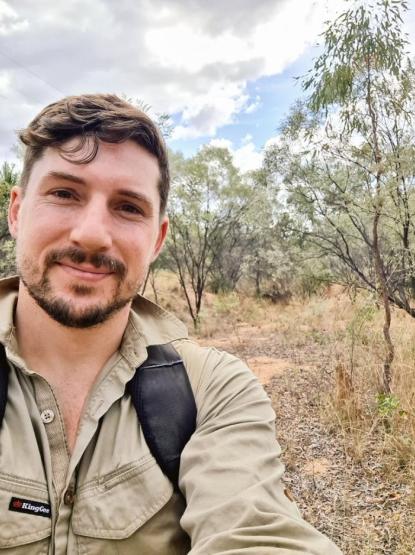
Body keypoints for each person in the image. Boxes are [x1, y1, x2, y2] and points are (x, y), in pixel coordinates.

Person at [0, 94, 342, 554]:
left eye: (128, 207)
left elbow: (257, 533)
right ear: (17, 211)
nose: (92, 233)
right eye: (64, 193)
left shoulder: (212, 390)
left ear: (157, 238)